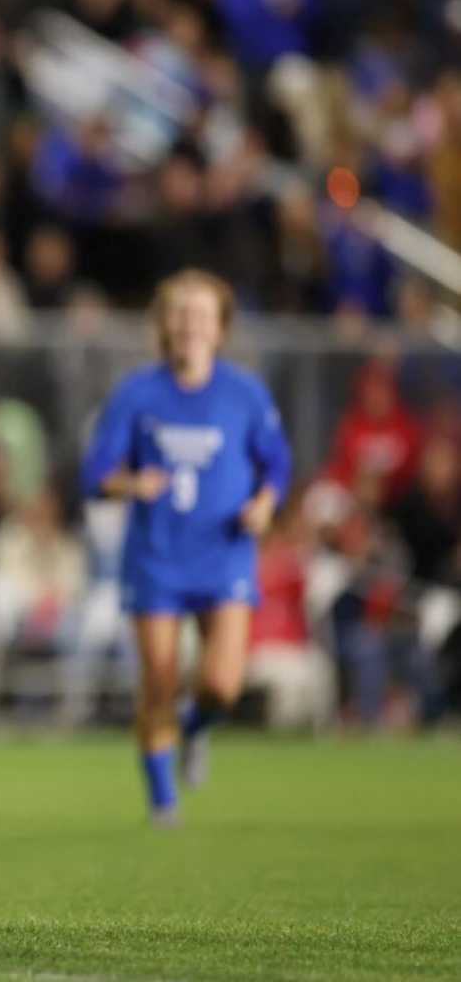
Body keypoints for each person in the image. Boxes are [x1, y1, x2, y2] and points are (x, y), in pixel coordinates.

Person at [80, 269, 292, 825]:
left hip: (225, 553)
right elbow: (95, 472)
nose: (189, 325)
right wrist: (131, 484)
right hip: (157, 557)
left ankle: (197, 731)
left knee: (223, 684)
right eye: (179, 313)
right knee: (161, 679)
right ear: (162, 326)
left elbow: (277, 462)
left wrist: (267, 502)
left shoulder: (244, 394)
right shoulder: (138, 394)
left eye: (201, 314)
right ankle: (163, 803)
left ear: (220, 328)